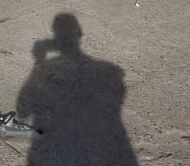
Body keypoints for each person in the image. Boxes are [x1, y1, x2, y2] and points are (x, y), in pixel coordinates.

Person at [17, 13, 137, 165]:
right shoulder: (110, 71)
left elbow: (23, 111)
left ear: (55, 39)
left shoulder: (47, 69)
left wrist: (39, 61)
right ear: (80, 33)